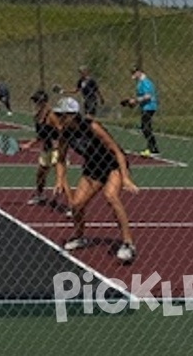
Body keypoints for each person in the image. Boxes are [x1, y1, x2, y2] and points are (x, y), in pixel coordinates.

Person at [52, 95, 139, 264]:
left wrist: (126, 178)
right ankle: (79, 237)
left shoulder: (92, 127)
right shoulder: (65, 134)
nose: (59, 118)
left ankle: (128, 243)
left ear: (73, 115)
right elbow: (61, 159)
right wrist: (59, 179)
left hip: (112, 165)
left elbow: (117, 151)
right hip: (93, 168)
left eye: (62, 115)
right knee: (76, 205)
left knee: (110, 196)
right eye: (58, 115)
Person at [27, 89, 71, 209]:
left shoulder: (51, 115)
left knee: (61, 178)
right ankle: (40, 195)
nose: (36, 103)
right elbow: (40, 136)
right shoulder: (37, 117)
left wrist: (59, 144)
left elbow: (61, 130)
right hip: (46, 149)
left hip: (57, 150)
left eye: (38, 101)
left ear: (44, 102)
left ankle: (72, 206)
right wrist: (29, 144)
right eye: (35, 101)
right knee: (40, 174)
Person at [125, 66, 160, 156]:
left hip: (149, 107)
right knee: (145, 127)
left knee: (145, 127)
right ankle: (152, 146)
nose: (133, 75)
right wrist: (132, 102)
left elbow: (148, 96)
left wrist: (135, 100)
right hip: (145, 107)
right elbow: (141, 96)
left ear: (139, 72)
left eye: (134, 72)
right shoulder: (140, 82)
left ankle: (153, 147)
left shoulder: (145, 82)